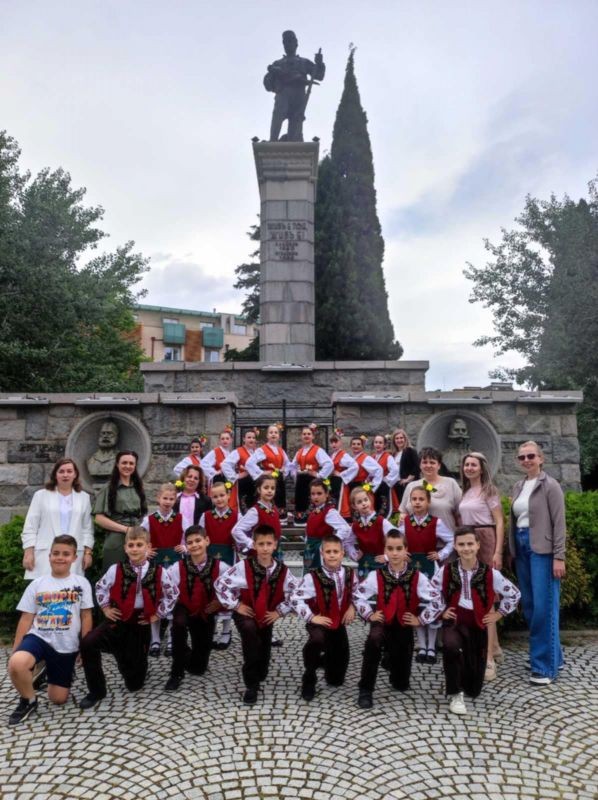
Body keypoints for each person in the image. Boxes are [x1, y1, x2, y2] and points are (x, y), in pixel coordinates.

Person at [404, 526, 520, 716]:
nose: (466, 548)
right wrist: (439, 612)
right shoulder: (446, 571)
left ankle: (466, 682)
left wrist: (499, 614)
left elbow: (514, 594)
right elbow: (432, 594)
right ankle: (455, 693)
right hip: (454, 622)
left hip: (477, 624)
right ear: (455, 547)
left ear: (478, 545)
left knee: (474, 688)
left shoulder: (490, 573)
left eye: (470, 544)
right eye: (461, 544)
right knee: (451, 647)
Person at [78, 527, 178, 709]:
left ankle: (131, 662)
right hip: (117, 619)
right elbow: (100, 587)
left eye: (139, 545)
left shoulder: (159, 572)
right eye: (131, 545)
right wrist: (106, 607)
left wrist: (158, 614)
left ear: (148, 547)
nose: (135, 549)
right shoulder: (115, 569)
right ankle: (96, 691)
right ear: (125, 548)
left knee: (134, 683)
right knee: (88, 643)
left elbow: (172, 594)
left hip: (139, 622)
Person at [7, 535, 94, 726]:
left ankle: (47, 670)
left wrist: (84, 647)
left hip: (66, 646)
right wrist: (16, 648)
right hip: (39, 637)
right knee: (17, 663)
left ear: (74, 557)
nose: (60, 557)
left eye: (66, 554)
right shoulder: (37, 584)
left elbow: (86, 616)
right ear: (49, 556)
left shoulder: (82, 583)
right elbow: (26, 618)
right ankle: (28, 700)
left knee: (58, 698)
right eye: (56, 553)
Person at [215, 525, 297, 705]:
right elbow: (220, 584)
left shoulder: (282, 570)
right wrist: (236, 605)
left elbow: (295, 593)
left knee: (264, 647)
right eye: (261, 544)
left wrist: (279, 611)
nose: (265, 548)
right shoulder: (243, 567)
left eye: (269, 543)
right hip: (246, 612)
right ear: (254, 545)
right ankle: (251, 685)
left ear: (275, 545)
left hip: (267, 614)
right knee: (250, 634)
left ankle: (260, 669)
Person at [354, 530, 433, 709]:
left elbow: (438, 600)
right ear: (385, 551)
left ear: (406, 550)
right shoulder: (376, 575)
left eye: (399, 548)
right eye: (390, 549)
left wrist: (420, 619)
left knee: (400, 684)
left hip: (404, 625)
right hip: (382, 622)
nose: (395, 553)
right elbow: (358, 596)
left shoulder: (417, 576)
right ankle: (365, 689)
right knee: (373, 641)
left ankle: (390, 660)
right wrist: (369, 615)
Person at [509, 440, 566, 685]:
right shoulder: (518, 486)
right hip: (522, 547)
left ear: (541, 458)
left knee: (545, 607)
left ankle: (544, 667)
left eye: (531, 456)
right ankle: (554, 656)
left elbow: (559, 523)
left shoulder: (550, 485)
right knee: (531, 606)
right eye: (522, 457)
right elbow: (515, 520)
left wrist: (559, 556)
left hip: (543, 550)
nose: (526, 460)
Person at [291, 535, 358, 701]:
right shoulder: (312, 577)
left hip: (338, 622)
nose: (332, 555)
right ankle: (309, 677)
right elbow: (295, 598)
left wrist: (352, 607)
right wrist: (312, 617)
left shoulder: (350, 574)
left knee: (336, 679)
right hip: (319, 622)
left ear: (342, 553)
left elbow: (358, 593)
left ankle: (325, 660)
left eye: (336, 551)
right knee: (317, 640)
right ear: (322, 553)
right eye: (328, 552)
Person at [459, 451, 505, 681]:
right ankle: (495, 648)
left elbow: (499, 520)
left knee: (487, 598)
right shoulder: (466, 491)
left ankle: (488, 658)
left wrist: (498, 551)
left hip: (485, 541)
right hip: (468, 541)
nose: (469, 468)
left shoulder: (489, 491)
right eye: (466, 464)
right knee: (474, 596)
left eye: (473, 464)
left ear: (481, 467)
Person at [165, 525, 228, 691]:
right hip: (184, 606)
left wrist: (220, 601)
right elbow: (166, 587)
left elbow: (232, 589)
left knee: (198, 668)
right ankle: (176, 673)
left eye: (198, 540)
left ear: (207, 541)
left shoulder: (221, 567)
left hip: (206, 611)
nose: (194, 545)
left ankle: (187, 653)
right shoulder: (177, 567)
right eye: (190, 542)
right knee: (178, 625)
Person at [398, 485, 453, 664]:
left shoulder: (436, 522)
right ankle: (422, 646)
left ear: (428, 502)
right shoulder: (405, 522)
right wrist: (402, 553)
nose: (417, 502)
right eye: (414, 499)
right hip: (411, 568)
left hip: (430, 568)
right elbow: (397, 541)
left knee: (430, 603)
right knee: (416, 604)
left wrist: (441, 554)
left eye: (421, 499)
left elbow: (452, 539)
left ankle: (432, 647)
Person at [22, 457, 94, 579]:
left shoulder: (84, 498)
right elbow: (30, 526)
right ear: (55, 474)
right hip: (45, 552)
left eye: (69, 471)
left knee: (70, 587)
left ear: (75, 474)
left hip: (73, 553)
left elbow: (87, 529)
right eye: (61, 471)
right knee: (44, 588)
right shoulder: (41, 495)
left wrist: (88, 553)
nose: (65, 475)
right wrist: (28, 552)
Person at [140, 482, 186, 657]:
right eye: (165, 498)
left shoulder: (180, 518)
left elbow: (191, 535)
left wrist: (185, 547)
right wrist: (145, 551)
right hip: (156, 564)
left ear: (175, 500)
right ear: (158, 498)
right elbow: (139, 537)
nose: (167, 502)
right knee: (156, 598)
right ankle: (155, 639)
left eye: (171, 499)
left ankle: (173, 639)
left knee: (173, 598)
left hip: (174, 564)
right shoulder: (150, 519)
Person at [264, 30, 326, 142]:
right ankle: (272, 141)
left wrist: (319, 63)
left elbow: (319, 75)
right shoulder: (278, 63)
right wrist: (274, 76)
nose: (288, 44)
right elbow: (267, 83)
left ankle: (294, 142)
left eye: (290, 41)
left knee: (296, 120)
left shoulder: (304, 62)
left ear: (296, 43)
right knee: (278, 115)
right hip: (283, 93)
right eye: (285, 42)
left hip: (299, 94)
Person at [199, 481, 239, 649]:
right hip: (211, 557)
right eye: (215, 496)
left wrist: (238, 545)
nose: (219, 499)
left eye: (222, 495)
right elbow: (200, 535)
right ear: (211, 497)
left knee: (227, 590)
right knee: (211, 590)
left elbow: (241, 535)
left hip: (229, 556)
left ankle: (226, 631)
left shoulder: (236, 515)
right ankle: (212, 629)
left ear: (228, 495)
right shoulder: (206, 516)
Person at [93, 450, 147, 570]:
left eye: (131, 463)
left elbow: (141, 515)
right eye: (124, 463)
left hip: (137, 538)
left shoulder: (138, 488)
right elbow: (99, 518)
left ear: (135, 466)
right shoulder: (108, 488)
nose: (128, 466)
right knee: (115, 574)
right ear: (117, 464)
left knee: (137, 574)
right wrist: (126, 529)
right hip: (116, 540)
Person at [400, 447, 462, 534]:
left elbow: (460, 514)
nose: (428, 465)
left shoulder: (451, 483)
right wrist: (401, 517)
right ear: (420, 465)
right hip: (416, 538)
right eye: (425, 462)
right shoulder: (411, 486)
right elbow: (402, 512)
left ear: (439, 465)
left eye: (432, 462)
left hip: (445, 539)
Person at [303, 479, 353, 571]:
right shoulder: (314, 510)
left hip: (321, 550)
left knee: (321, 575)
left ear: (326, 494)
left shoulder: (329, 512)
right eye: (313, 494)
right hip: (310, 549)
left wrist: (331, 542)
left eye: (319, 493)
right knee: (310, 575)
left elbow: (345, 529)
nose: (315, 497)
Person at [246, 423, 291, 521]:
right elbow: (249, 463)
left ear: (278, 436)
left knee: (280, 496)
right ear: (267, 435)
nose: (273, 434)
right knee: (268, 496)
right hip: (268, 479)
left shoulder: (281, 450)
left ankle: (280, 515)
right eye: (271, 432)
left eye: (275, 432)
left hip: (279, 479)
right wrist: (261, 473)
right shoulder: (262, 450)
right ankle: (267, 515)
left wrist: (284, 471)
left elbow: (288, 464)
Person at [291, 424, 333, 525]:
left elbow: (329, 464)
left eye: (309, 434)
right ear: (301, 436)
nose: (306, 436)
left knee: (311, 499)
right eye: (304, 434)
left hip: (311, 481)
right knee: (300, 500)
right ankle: (300, 517)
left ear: (313, 436)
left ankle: (311, 519)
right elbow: (292, 466)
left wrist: (318, 475)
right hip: (300, 482)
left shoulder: (317, 450)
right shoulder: (299, 452)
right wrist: (296, 475)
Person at [232, 474, 283, 558]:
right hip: (260, 554)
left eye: (272, 488)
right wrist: (250, 543)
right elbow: (236, 530)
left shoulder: (274, 509)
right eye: (266, 488)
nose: (270, 491)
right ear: (259, 489)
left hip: (274, 551)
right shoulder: (255, 511)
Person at [350, 487, 396, 578]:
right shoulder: (355, 525)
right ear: (354, 506)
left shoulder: (381, 521)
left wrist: (387, 556)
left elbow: (396, 537)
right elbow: (347, 542)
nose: (363, 503)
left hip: (380, 563)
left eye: (365, 500)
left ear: (370, 500)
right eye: (359, 502)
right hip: (364, 563)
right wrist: (354, 554)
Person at [221, 428, 258, 513]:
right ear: (244, 439)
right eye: (249, 437)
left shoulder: (256, 452)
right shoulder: (238, 451)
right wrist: (236, 476)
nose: (251, 439)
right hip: (244, 483)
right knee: (244, 507)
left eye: (253, 438)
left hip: (255, 483)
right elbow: (225, 464)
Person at [328, 429, 358, 519]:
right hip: (333, 482)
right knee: (334, 501)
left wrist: (342, 474)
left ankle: (343, 519)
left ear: (340, 442)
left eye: (336, 442)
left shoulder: (343, 455)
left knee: (340, 502)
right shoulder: (333, 455)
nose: (333, 444)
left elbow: (355, 466)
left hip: (340, 483)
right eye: (332, 442)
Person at [173, 464, 212, 533]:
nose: (192, 480)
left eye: (196, 478)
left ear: (199, 482)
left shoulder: (206, 501)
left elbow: (209, 523)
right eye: (189, 476)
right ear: (184, 478)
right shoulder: (174, 498)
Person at [371, 434, 400, 519]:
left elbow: (395, 470)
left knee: (384, 509)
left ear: (384, 445)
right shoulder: (372, 457)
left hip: (384, 488)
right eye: (376, 442)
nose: (378, 444)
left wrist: (386, 481)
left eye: (380, 443)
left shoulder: (388, 457)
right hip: (374, 487)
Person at [391, 428, 420, 503]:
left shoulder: (410, 450)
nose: (399, 440)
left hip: (407, 485)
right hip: (397, 485)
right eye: (397, 438)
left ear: (405, 439)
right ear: (394, 440)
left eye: (401, 438)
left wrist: (408, 479)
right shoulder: (394, 454)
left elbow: (417, 466)